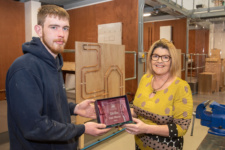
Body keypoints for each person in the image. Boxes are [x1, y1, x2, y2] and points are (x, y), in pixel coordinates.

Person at [5, 5, 110, 150]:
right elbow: (34, 127)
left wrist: (75, 108)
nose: (61, 34)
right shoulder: (25, 69)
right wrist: (82, 129)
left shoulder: (54, 63)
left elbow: (49, 104)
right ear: (39, 30)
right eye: (54, 27)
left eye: (65, 28)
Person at [123, 39, 193, 150]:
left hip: (166, 147)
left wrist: (146, 129)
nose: (159, 61)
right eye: (155, 56)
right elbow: (137, 111)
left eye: (165, 57)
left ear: (172, 60)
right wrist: (116, 114)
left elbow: (181, 128)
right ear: (150, 58)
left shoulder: (181, 87)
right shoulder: (145, 79)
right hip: (140, 144)